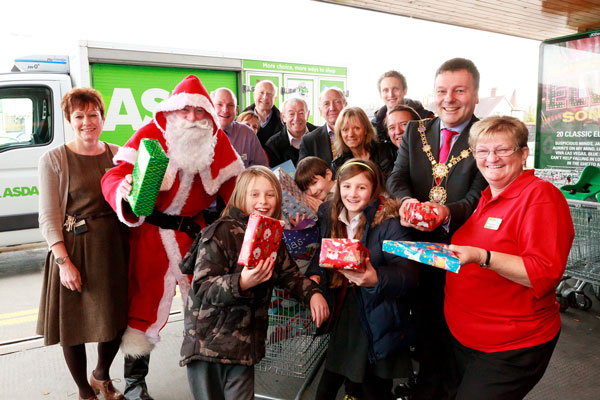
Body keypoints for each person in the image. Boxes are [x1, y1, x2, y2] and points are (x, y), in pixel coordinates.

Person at [101, 75, 244, 399]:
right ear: (173, 111)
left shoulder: (216, 141)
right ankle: (135, 384)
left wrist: (254, 217)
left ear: (209, 115)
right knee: (144, 307)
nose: (192, 118)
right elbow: (114, 176)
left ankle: (209, 375)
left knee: (207, 303)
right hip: (150, 236)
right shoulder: (153, 133)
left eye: (199, 112)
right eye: (186, 110)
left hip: (193, 236)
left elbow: (237, 191)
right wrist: (121, 189)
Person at [445, 116, 574, 399]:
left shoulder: (540, 197)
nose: (491, 158)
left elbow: (544, 272)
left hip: (510, 346)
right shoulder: (487, 196)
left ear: (523, 153)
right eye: (483, 150)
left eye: (502, 149)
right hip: (467, 339)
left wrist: (483, 256)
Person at [179, 166, 329, 400]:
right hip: (209, 345)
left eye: (270, 194)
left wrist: (313, 294)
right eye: (255, 194)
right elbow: (203, 287)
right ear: (241, 196)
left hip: (245, 346)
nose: (264, 201)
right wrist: (242, 282)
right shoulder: (221, 232)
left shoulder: (271, 234)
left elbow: (290, 275)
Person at [386, 58, 488, 400]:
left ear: (475, 95)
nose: (450, 98)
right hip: (415, 249)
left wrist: (446, 213)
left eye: (460, 90)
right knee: (425, 326)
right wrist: (405, 203)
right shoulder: (415, 131)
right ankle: (428, 388)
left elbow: (478, 195)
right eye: (443, 90)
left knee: (457, 335)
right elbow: (397, 177)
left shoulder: (485, 136)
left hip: (462, 253)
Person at [37, 87, 128, 400]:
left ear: (102, 118)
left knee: (117, 322)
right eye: (79, 116)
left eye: (93, 114)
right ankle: (84, 391)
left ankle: (101, 375)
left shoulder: (118, 154)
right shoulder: (54, 159)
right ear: (69, 120)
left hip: (115, 250)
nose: (87, 121)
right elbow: (48, 218)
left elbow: (132, 207)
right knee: (73, 327)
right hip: (74, 249)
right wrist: (64, 263)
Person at [306, 159, 419, 400]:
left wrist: (376, 278)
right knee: (339, 378)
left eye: (361, 187)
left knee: (368, 384)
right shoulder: (330, 213)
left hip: (377, 309)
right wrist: (314, 278)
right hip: (344, 307)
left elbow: (409, 275)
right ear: (338, 186)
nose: (352, 194)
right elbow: (322, 252)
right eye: (347, 186)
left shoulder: (389, 223)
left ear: (374, 189)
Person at [330, 107, 396, 179]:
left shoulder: (386, 151)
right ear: (340, 134)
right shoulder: (337, 165)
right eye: (345, 130)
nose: (351, 134)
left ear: (366, 130)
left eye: (356, 128)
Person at [211, 87, 268, 167]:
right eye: (219, 105)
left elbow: (261, 168)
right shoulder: (198, 134)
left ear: (236, 109)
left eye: (230, 105)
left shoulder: (247, 134)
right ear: (211, 107)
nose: (225, 110)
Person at [371, 70, 433, 142]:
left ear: (405, 90)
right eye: (385, 90)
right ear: (380, 94)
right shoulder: (374, 126)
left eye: (395, 89)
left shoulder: (426, 118)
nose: (391, 94)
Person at [299, 87, 347, 165]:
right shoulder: (309, 141)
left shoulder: (358, 134)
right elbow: (303, 175)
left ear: (345, 106)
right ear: (320, 110)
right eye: (326, 104)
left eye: (337, 102)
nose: (332, 108)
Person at [265, 97, 312, 167]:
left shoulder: (321, 136)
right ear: (283, 117)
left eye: (301, 113)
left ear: (307, 115)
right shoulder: (273, 145)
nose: (296, 118)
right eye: (291, 114)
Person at [242, 80, 283, 146]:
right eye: (261, 93)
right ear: (254, 95)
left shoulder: (283, 123)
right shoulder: (240, 121)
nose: (265, 97)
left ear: (275, 99)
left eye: (269, 94)